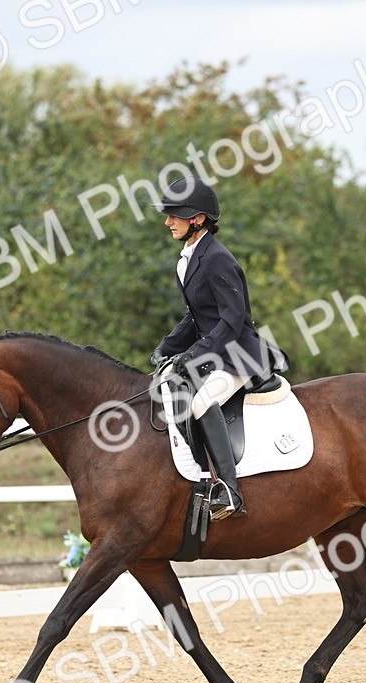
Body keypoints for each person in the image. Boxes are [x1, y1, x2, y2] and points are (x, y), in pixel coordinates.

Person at [149, 176, 268, 520]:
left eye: (174, 215)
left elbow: (232, 320)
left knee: (200, 399)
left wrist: (194, 356)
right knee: (169, 387)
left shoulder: (216, 259)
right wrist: (167, 347)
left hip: (240, 355)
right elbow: (197, 315)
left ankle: (229, 490)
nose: (167, 221)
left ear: (197, 219)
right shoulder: (189, 257)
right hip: (217, 351)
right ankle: (199, 475)